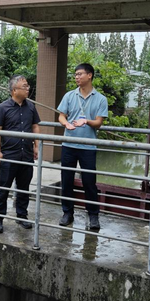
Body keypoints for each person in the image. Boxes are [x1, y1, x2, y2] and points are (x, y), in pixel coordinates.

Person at [57, 63, 108, 231]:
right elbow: (61, 116)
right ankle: (67, 213)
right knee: (66, 180)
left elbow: (99, 123)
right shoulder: (69, 95)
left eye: (80, 74)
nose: (76, 77)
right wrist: (66, 124)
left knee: (89, 182)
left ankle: (93, 215)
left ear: (90, 75)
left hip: (88, 147)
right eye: (75, 75)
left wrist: (86, 121)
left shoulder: (100, 99)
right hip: (68, 145)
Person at [0, 74, 40, 233]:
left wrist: (36, 146)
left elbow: (35, 127)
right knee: (3, 188)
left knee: (24, 188)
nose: (28, 89)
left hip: (26, 155)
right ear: (14, 90)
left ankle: (22, 216)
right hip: (9, 155)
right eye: (24, 86)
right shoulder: (2, 108)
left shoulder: (31, 107)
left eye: (27, 86)